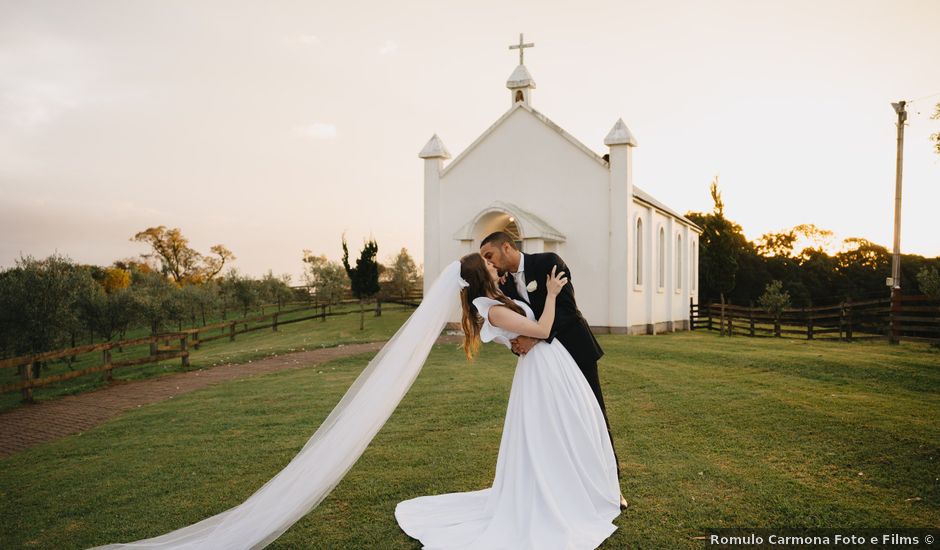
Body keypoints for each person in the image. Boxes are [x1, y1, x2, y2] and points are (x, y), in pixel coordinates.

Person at [394, 252, 621, 549]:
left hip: (549, 365)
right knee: (554, 432)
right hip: (542, 371)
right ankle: (560, 494)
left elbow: (530, 332)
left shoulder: (499, 299)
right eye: (487, 264)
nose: (494, 266)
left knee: (566, 430)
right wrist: (551, 294)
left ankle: (574, 487)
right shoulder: (493, 310)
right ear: (479, 274)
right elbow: (541, 329)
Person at [479, 231, 627, 510]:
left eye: (490, 255)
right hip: (544, 366)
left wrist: (534, 337)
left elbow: (567, 311)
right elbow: (515, 320)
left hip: (575, 349)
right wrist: (515, 343)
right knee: (556, 423)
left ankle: (612, 486)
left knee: (594, 414)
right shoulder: (505, 285)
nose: (489, 262)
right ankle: (566, 487)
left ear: (507, 247)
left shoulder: (548, 261)